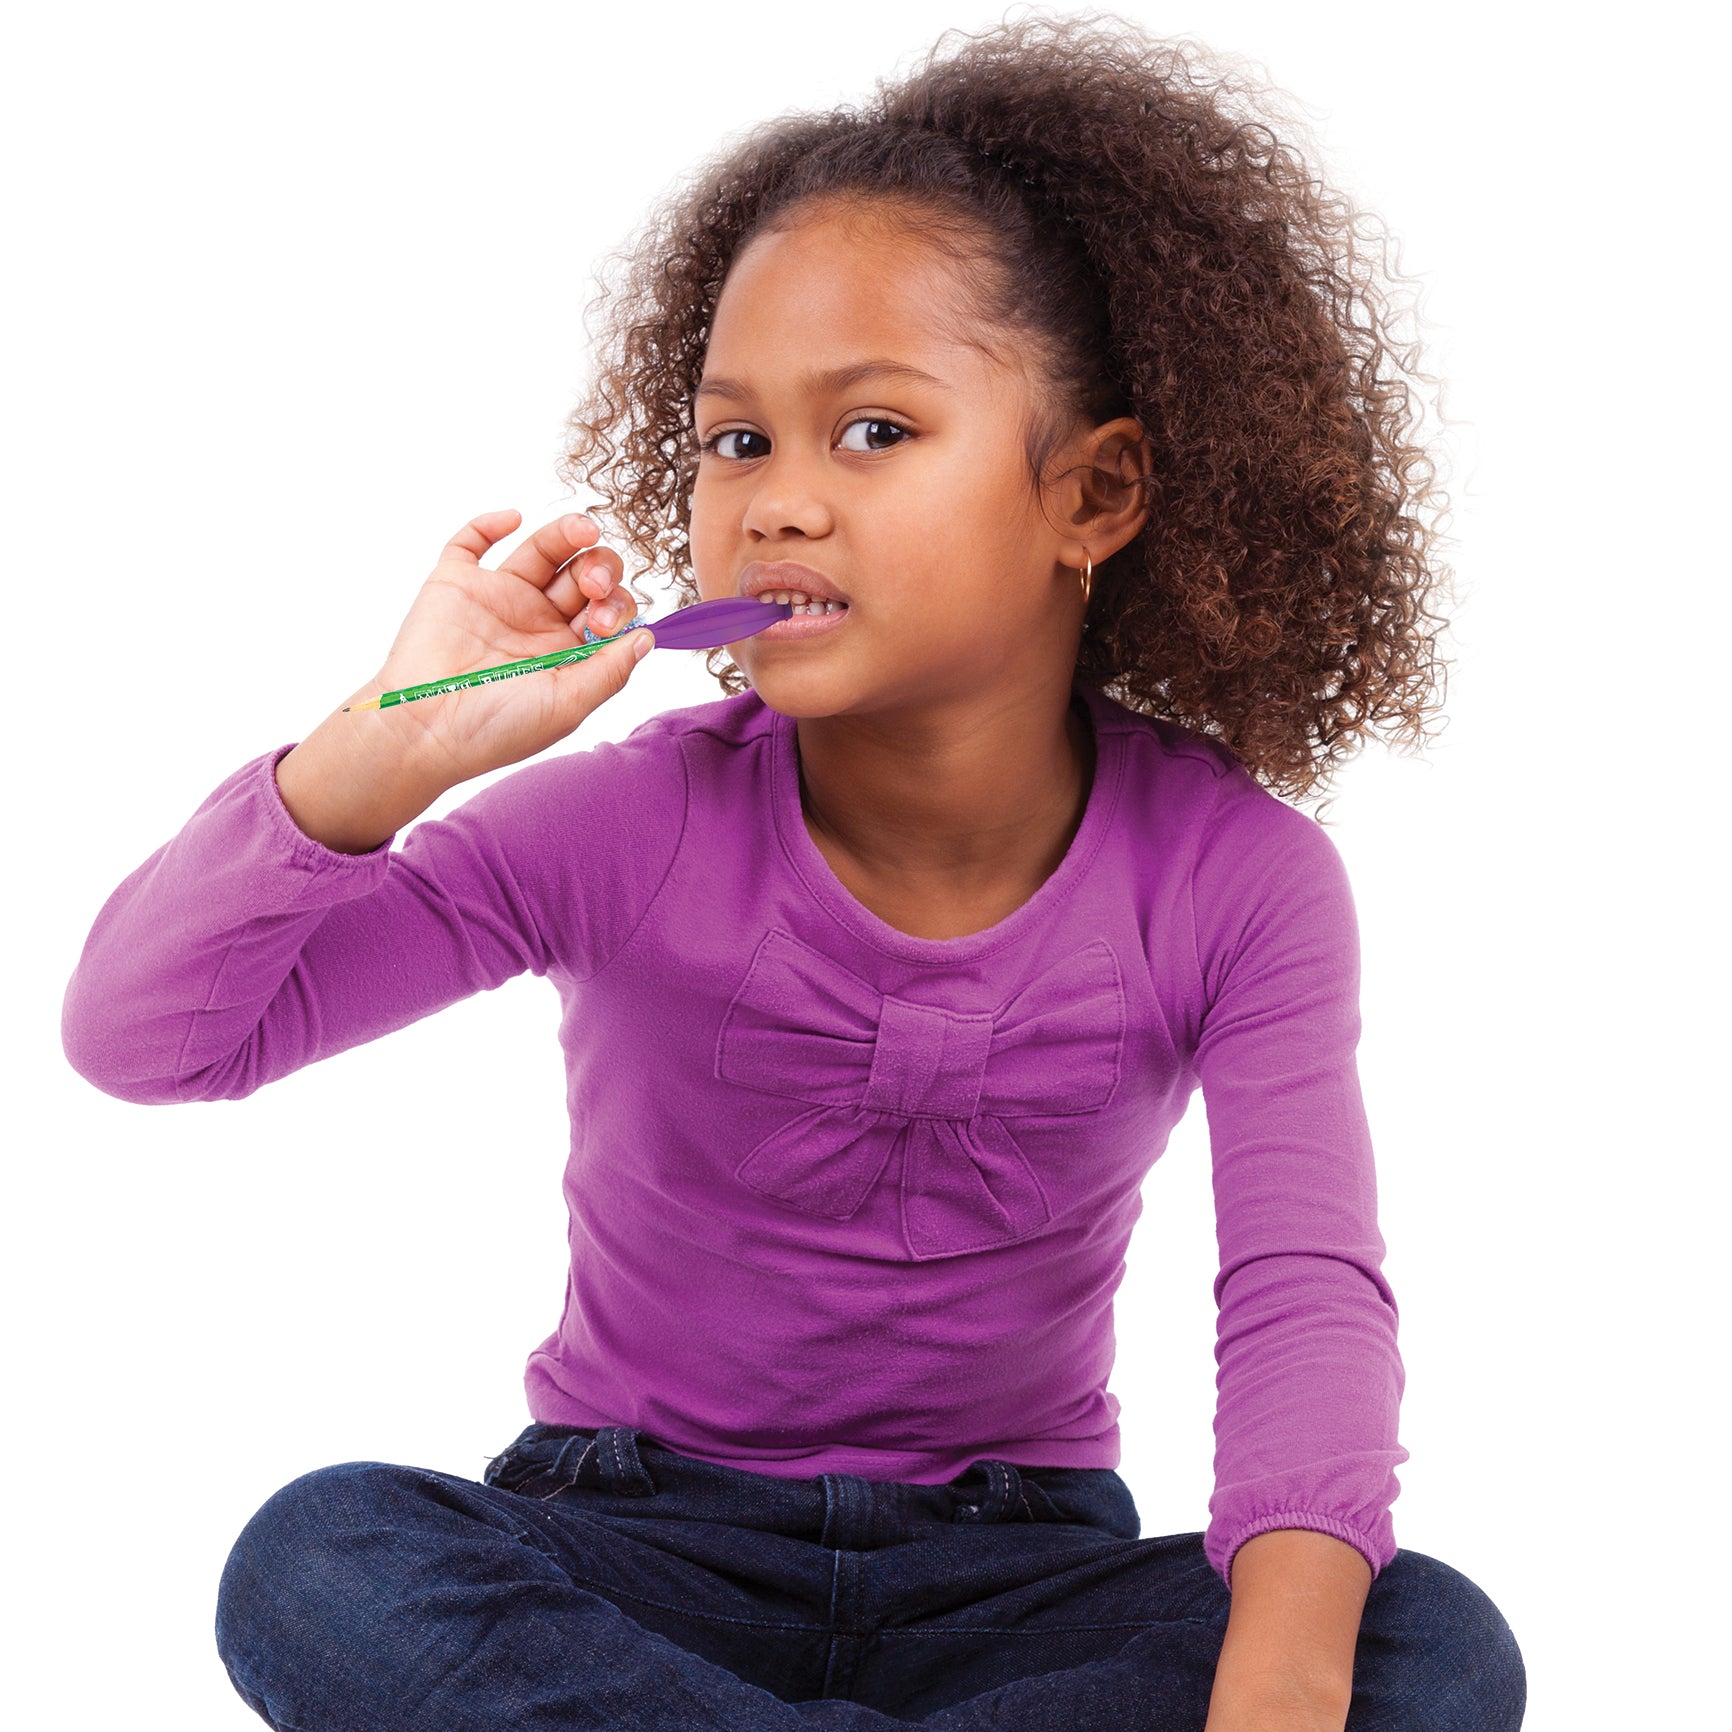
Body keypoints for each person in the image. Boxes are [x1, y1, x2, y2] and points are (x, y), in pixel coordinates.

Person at [61, 14, 1525, 1731]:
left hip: (1019, 1576)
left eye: (875, 432)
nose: (777, 503)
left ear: (1096, 491)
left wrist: (1279, 1696)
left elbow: (1301, 1299)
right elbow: (151, 1039)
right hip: (627, 1545)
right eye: (736, 442)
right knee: (317, 1561)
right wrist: (380, 749)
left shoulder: (1240, 878)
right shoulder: (625, 823)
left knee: (1422, 1641)